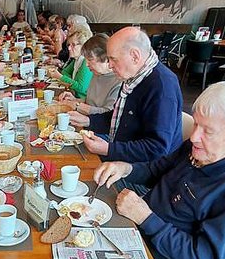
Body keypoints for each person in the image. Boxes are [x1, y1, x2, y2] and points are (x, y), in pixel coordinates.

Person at [62, 80, 225, 259]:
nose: (194, 137)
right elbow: (158, 169)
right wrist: (125, 168)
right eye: (196, 125)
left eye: (207, 131)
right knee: (76, 217)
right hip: (144, 223)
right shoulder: (199, 149)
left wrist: (146, 217)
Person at [68, 27, 182, 165]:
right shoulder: (133, 76)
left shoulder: (162, 86)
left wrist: (108, 149)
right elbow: (119, 116)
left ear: (135, 56)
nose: (109, 65)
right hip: (124, 152)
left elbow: (157, 147)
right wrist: (88, 121)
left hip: (146, 169)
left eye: (113, 59)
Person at [59, 33, 121, 115]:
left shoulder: (118, 81)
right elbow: (91, 102)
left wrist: (77, 105)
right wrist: (74, 100)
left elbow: (107, 114)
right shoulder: (97, 73)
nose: (87, 64)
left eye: (90, 59)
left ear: (106, 58)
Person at [49, 29, 93, 99]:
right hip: (73, 95)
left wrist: (60, 77)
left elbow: (81, 88)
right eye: (69, 45)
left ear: (84, 45)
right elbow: (64, 72)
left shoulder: (86, 62)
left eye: (73, 45)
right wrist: (71, 82)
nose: (69, 48)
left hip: (82, 101)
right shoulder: (77, 59)